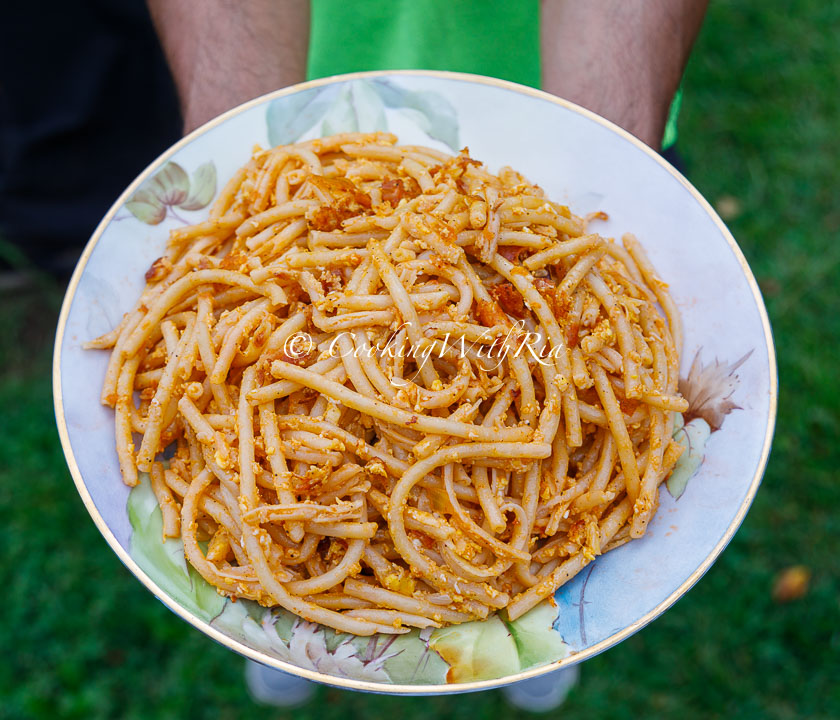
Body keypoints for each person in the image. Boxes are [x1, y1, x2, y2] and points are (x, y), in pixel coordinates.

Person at [145, 2, 708, 710]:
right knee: (259, 508)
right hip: (305, 111)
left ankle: (542, 607)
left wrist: (607, 155)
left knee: (563, 509)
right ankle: (277, 589)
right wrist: (228, 141)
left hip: (568, 108)